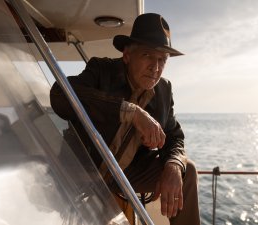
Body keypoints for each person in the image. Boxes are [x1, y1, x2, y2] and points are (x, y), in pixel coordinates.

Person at [50, 13, 200, 225]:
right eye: (148, 55)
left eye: (162, 60)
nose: (155, 68)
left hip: (125, 174)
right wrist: (130, 112)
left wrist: (173, 166)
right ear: (127, 55)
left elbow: (174, 136)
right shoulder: (101, 70)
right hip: (82, 172)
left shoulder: (164, 90)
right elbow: (59, 94)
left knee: (187, 170)